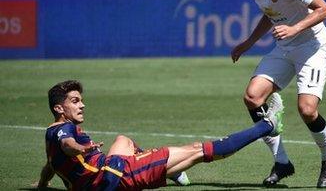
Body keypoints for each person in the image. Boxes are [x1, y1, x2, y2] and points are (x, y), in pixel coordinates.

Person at [230, 0, 326, 188]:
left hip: (313, 46)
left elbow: (324, 9)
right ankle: (282, 161)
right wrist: (248, 43)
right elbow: (271, 14)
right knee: (253, 97)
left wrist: (294, 29)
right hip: (285, 47)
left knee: (307, 110)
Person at [36, 80, 284, 190]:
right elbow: (68, 145)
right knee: (199, 150)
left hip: (107, 174)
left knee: (124, 140)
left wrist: (43, 183)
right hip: (116, 176)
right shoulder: (63, 131)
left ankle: (172, 171)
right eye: (75, 101)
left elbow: (52, 163)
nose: (82, 105)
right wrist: (81, 149)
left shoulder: (50, 134)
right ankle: (268, 126)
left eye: (81, 100)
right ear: (59, 109)